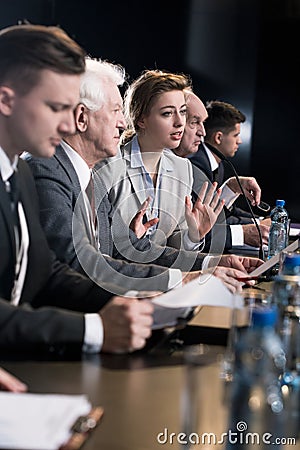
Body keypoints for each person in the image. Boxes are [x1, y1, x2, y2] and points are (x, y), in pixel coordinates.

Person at [25, 58, 259, 295]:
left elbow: (128, 248)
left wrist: (212, 263)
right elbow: (76, 264)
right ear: (82, 118)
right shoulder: (48, 170)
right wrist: (186, 279)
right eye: (116, 110)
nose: (122, 122)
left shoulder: (87, 173)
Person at [0, 23, 153, 356]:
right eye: (56, 108)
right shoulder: (39, 170)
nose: (69, 125)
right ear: (6, 101)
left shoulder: (21, 172)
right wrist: (94, 329)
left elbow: (46, 272)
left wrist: (135, 297)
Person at [108, 69, 226, 256]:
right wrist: (129, 240)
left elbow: (173, 246)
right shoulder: (110, 166)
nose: (180, 122)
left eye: (183, 112)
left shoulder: (182, 168)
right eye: (167, 114)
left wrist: (193, 236)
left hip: (163, 279)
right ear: (141, 119)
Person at [174, 95, 270, 252]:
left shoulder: (216, 164)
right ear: (218, 137)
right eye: (236, 135)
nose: (239, 141)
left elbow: (214, 216)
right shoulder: (197, 163)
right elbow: (200, 226)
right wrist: (249, 230)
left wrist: (257, 222)